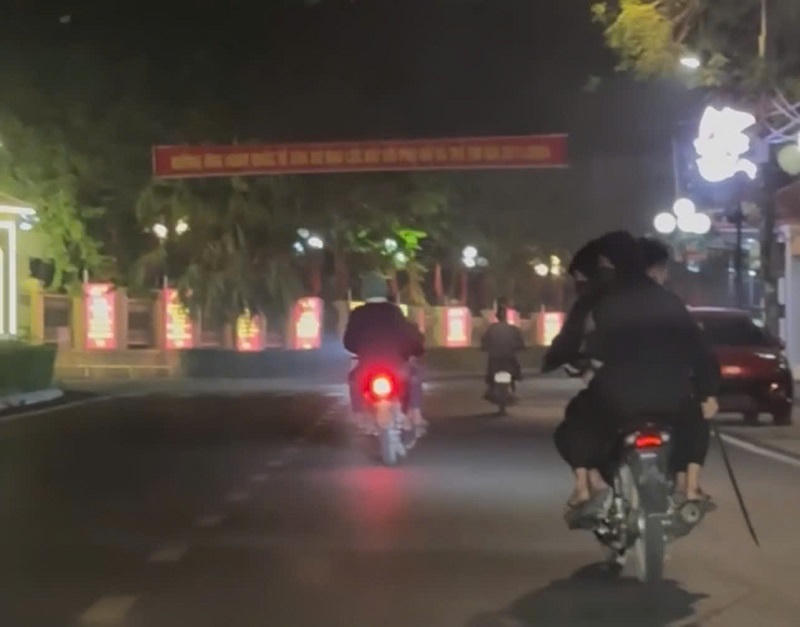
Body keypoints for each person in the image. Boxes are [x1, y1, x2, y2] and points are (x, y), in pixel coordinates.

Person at [638, 236, 719, 501]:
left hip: (620, 393)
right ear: (656, 270)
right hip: (669, 392)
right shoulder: (670, 304)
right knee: (695, 422)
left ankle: (591, 483)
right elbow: (699, 351)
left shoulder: (610, 302)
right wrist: (708, 393)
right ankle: (690, 485)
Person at [343, 272, 427, 435]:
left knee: (353, 379)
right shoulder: (394, 312)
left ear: (364, 291)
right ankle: (416, 413)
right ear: (384, 290)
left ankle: (358, 415)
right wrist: (415, 349)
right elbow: (409, 337)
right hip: (396, 368)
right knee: (415, 376)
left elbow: (349, 342)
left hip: (366, 370)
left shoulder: (357, 313)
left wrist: (361, 348)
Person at [481, 299, 525, 399]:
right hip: (508, 357)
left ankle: (491, 388)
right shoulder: (513, 329)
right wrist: (520, 347)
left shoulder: (491, 328)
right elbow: (520, 342)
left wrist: (484, 348)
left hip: (495, 358)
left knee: (490, 372)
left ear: (497, 317)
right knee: (515, 370)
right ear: (506, 317)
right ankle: (513, 387)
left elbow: (484, 341)